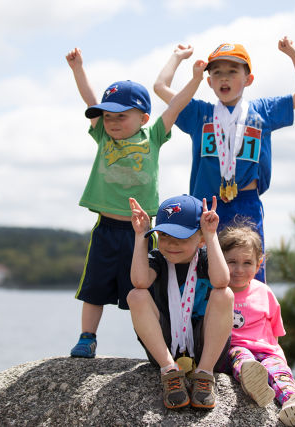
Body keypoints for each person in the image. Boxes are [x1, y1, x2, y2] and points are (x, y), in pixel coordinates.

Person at [65, 47, 207, 358]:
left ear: (142, 117)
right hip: (106, 228)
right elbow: (90, 101)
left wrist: (195, 76)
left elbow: (178, 103)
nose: (112, 122)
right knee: (94, 287)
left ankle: (155, 344)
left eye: (121, 116)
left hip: (139, 231)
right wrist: (78, 69)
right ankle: (87, 337)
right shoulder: (103, 136)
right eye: (108, 117)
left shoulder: (153, 135)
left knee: (143, 290)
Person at [153, 37, 295, 283]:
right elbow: (161, 87)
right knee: (204, 275)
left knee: (248, 273)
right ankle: (203, 320)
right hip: (205, 207)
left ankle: (252, 319)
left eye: (232, 71)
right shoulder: (200, 113)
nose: (224, 78)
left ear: (248, 79)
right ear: (209, 81)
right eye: (217, 73)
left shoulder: (262, 111)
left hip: (246, 203)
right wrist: (176, 56)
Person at [218, 219, 295, 426]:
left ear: (258, 264)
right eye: (231, 262)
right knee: (244, 361)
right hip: (236, 348)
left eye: (247, 263)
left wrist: (277, 357)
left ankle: (292, 402)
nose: (238, 269)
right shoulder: (218, 293)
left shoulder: (264, 292)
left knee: (278, 372)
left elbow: (275, 332)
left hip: (266, 350)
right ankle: (257, 387)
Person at [128, 194, 233, 410]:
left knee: (224, 294)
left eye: (182, 237)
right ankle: (169, 372)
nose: (172, 244)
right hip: (166, 348)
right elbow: (140, 280)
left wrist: (211, 236)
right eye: (164, 236)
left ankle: (204, 375)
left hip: (205, 347)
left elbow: (222, 280)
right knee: (136, 295)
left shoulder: (204, 258)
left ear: (200, 239)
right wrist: (141, 237)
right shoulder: (158, 259)